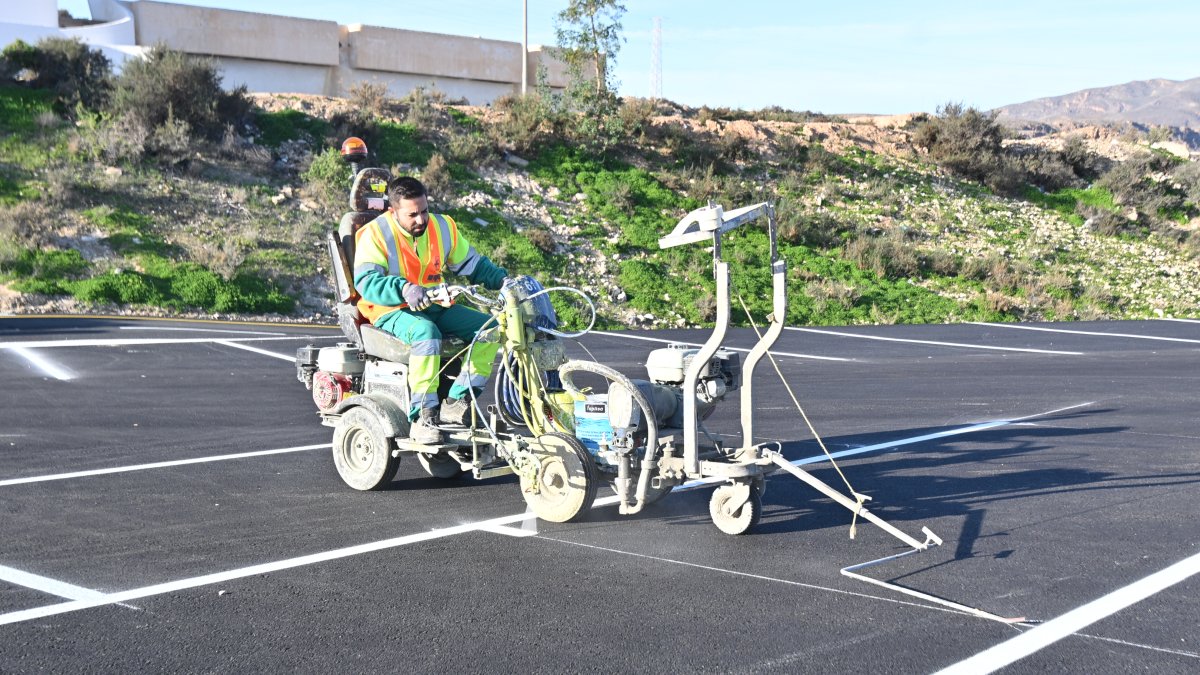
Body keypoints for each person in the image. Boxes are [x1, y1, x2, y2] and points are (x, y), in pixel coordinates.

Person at [353, 176, 508, 444]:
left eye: (424, 211)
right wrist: (403, 289)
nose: (421, 220)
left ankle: (457, 401)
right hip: (390, 308)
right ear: (393, 211)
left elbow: (472, 265)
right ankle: (423, 415)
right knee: (426, 333)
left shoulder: (442, 227)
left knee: (491, 329)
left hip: (434, 303)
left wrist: (505, 280)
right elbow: (366, 282)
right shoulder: (375, 233)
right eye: (412, 214)